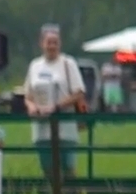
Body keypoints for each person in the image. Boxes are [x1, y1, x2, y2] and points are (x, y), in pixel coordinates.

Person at [23, 24, 88, 179]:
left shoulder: (68, 63)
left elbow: (79, 92)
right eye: (49, 42)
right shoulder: (35, 65)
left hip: (65, 127)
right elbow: (27, 94)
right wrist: (32, 107)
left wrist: (57, 107)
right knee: (47, 169)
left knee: (68, 168)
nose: (52, 46)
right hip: (42, 128)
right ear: (42, 44)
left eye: (55, 42)